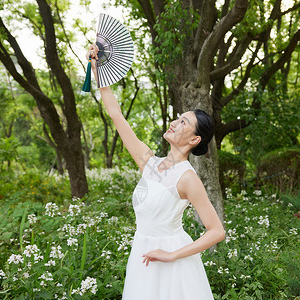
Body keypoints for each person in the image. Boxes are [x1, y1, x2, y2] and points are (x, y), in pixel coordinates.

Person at [87, 44, 225, 300]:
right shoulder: (147, 161)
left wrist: (172, 254)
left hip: (173, 261)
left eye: (183, 122)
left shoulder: (187, 178)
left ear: (195, 140)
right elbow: (116, 115)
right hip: (142, 255)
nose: (174, 122)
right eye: (178, 117)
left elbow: (216, 230)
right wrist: (99, 70)